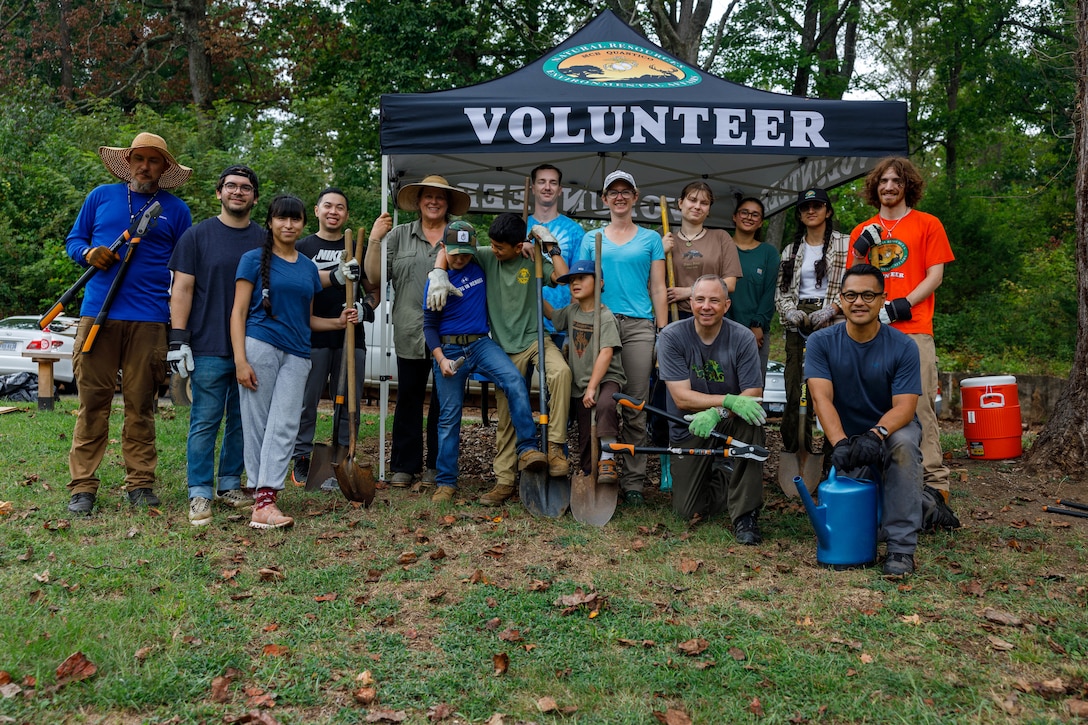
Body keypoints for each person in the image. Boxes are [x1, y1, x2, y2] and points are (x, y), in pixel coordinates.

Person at [64, 132, 193, 515]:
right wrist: (89, 253)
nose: (145, 166)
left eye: (154, 160)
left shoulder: (177, 210)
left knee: (141, 405)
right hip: (96, 316)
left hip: (151, 319)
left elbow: (185, 269)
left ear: (164, 168)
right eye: (139, 158)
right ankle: (83, 488)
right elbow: (74, 241)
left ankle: (139, 484)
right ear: (129, 161)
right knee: (92, 404)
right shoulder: (100, 197)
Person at [230, 195, 358, 529]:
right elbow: (238, 312)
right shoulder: (253, 259)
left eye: (295, 220)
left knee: (286, 424)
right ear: (270, 222)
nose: (288, 225)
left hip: (299, 353)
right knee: (257, 422)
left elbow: (310, 318)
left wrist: (339, 321)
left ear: (303, 223)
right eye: (282, 219)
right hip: (261, 347)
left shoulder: (305, 266)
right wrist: (240, 359)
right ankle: (264, 501)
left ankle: (264, 497)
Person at [428, 213, 572, 505]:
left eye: (499, 247)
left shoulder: (531, 261)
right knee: (505, 417)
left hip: (533, 339)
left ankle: (553, 448)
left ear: (519, 247)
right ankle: (504, 481)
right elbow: (450, 248)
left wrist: (550, 246)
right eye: (491, 245)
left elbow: (562, 277)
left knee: (561, 374)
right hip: (502, 347)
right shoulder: (484, 257)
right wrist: (438, 274)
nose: (493, 250)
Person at [849, 157, 958, 517]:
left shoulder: (927, 224)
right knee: (871, 406)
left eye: (896, 180)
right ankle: (877, 477)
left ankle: (934, 486)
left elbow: (935, 275)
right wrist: (863, 249)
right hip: (869, 333)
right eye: (883, 181)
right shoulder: (862, 230)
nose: (889, 186)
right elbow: (853, 281)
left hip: (913, 331)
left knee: (920, 406)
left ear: (907, 185)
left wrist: (901, 305)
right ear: (875, 187)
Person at [804, 264, 925, 576]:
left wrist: (876, 434)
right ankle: (925, 507)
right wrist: (840, 443)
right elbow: (821, 399)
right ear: (841, 300)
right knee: (864, 513)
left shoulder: (903, 346)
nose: (859, 302)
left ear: (883, 299)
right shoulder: (820, 342)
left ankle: (900, 549)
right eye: (851, 295)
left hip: (892, 428)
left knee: (903, 446)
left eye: (868, 295)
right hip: (847, 434)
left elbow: (906, 408)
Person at [168, 164, 265, 525]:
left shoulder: (265, 239)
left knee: (243, 421)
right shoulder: (197, 236)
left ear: (254, 197)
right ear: (219, 193)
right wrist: (178, 339)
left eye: (245, 187)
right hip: (208, 343)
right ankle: (199, 493)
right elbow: (183, 289)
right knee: (205, 419)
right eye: (230, 186)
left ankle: (229, 485)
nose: (237, 192)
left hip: (254, 346)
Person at [364, 175, 470, 490]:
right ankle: (403, 466)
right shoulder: (398, 236)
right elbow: (374, 277)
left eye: (440, 197)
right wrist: (373, 240)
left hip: (451, 332)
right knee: (408, 399)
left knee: (445, 403)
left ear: (448, 203)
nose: (434, 201)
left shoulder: (460, 234)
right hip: (410, 330)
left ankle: (439, 467)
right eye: (428, 196)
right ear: (419, 201)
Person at [574, 171, 667, 505]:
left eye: (625, 191)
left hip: (639, 325)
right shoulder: (591, 238)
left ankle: (634, 483)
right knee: (600, 399)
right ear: (604, 199)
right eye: (612, 192)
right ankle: (597, 469)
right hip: (602, 325)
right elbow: (582, 286)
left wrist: (663, 331)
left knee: (635, 405)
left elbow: (657, 287)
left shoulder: (650, 239)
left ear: (635, 196)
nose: (619, 197)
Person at [657, 275, 767, 543]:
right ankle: (729, 473)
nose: (706, 306)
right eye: (700, 300)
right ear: (691, 302)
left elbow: (752, 394)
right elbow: (681, 398)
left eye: (714, 300)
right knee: (688, 510)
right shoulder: (671, 336)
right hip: (688, 426)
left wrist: (719, 411)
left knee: (752, 420)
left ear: (726, 305)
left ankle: (746, 516)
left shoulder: (742, 337)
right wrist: (727, 400)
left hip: (728, 420)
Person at [291, 188, 378, 490]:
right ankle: (302, 456)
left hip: (351, 338)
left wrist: (365, 308)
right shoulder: (301, 247)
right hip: (311, 337)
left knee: (347, 402)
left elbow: (374, 291)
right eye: (327, 206)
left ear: (346, 214)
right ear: (316, 210)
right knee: (307, 401)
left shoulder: (357, 248)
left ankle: (344, 453)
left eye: (340, 207)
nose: (333, 211)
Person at [773, 188, 849, 461]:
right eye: (806, 207)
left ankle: (835, 456)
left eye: (817, 206)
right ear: (800, 214)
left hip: (836, 322)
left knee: (834, 390)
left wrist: (834, 308)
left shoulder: (845, 244)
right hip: (799, 322)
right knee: (797, 391)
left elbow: (858, 284)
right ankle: (796, 452)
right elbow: (781, 293)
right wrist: (790, 312)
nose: (811, 211)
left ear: (828, 211)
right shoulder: (791, 250)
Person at [546, 259, 626, 483]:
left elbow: (606, 352)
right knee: (585, 433)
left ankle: (608, 460)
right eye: (572, 280)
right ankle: (589, 474)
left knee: (606, 405)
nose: (575, 283)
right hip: (580, 384)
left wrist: (593, 387)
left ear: (599, 283)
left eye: (582, 278)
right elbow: (552, 316)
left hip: (605, 379)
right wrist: (531, 296)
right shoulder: (572, 311)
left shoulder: (605, 317)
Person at [661, 181, 743, 316]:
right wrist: (659, 252)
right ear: (681, 203)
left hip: (710, 315)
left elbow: (730, 284)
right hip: (674, 316)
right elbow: (651, 284)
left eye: (704, 203)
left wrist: (689, 291)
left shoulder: (721, 237)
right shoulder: (665, 241)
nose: (697, 206)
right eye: (692, 200)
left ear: (709, 209)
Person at [527, 164, 586, 336]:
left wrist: (574, 323)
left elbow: (579, 279)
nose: (547, 187)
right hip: (524, 324)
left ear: (560, 190)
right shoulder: (519, 228)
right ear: (533, 188)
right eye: (541, 182)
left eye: (553, 183)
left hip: (561, 325)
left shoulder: (575, 231)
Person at [726, 197, 779, 386]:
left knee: (752, 389)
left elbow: (770, 291)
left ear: (761, 222)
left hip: (755, 332)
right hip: (721, 329)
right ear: (734, 217)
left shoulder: (768, 253)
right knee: (723, 386)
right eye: (744, 212)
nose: (749, 217)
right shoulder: (722, 247)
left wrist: (758, 324)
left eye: (755, 214)